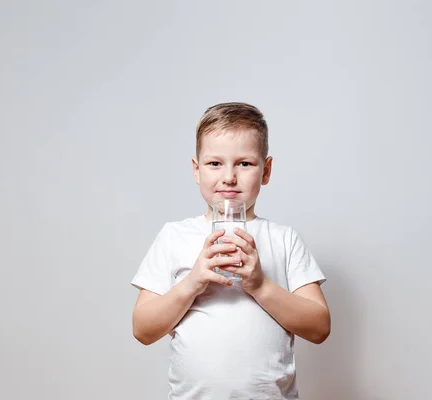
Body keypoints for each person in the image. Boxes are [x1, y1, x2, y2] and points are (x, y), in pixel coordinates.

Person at [131, 102, 330, 399]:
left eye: (245, 163)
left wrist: (260, 285)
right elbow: (143, 329)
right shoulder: (174, 236)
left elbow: (319, 327)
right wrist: (193, 282)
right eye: (214, 164)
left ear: (266, 170)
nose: (229, 177)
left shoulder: (283, 238)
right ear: (196, 170)